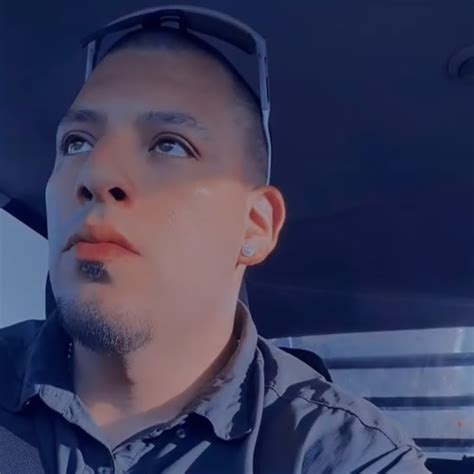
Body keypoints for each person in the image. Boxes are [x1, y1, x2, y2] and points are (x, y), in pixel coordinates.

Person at [0, 7, 431, 473]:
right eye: (77, 142)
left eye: (170, 144)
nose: (96, 173)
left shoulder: (350, 456)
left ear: (255, 226)